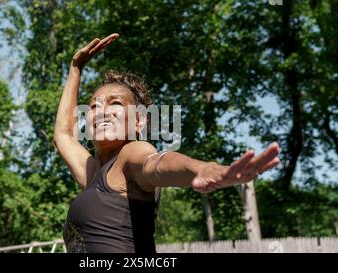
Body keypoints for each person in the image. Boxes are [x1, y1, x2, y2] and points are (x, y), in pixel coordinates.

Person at [53, 33, 281, 253]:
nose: (102, 111)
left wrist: (202, 169)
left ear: (139, 122)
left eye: (115, 104)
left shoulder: (132, 154)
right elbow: (64, 135)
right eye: (93, 106)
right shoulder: (93, 174)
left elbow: (156, 164)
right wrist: (75, 69)